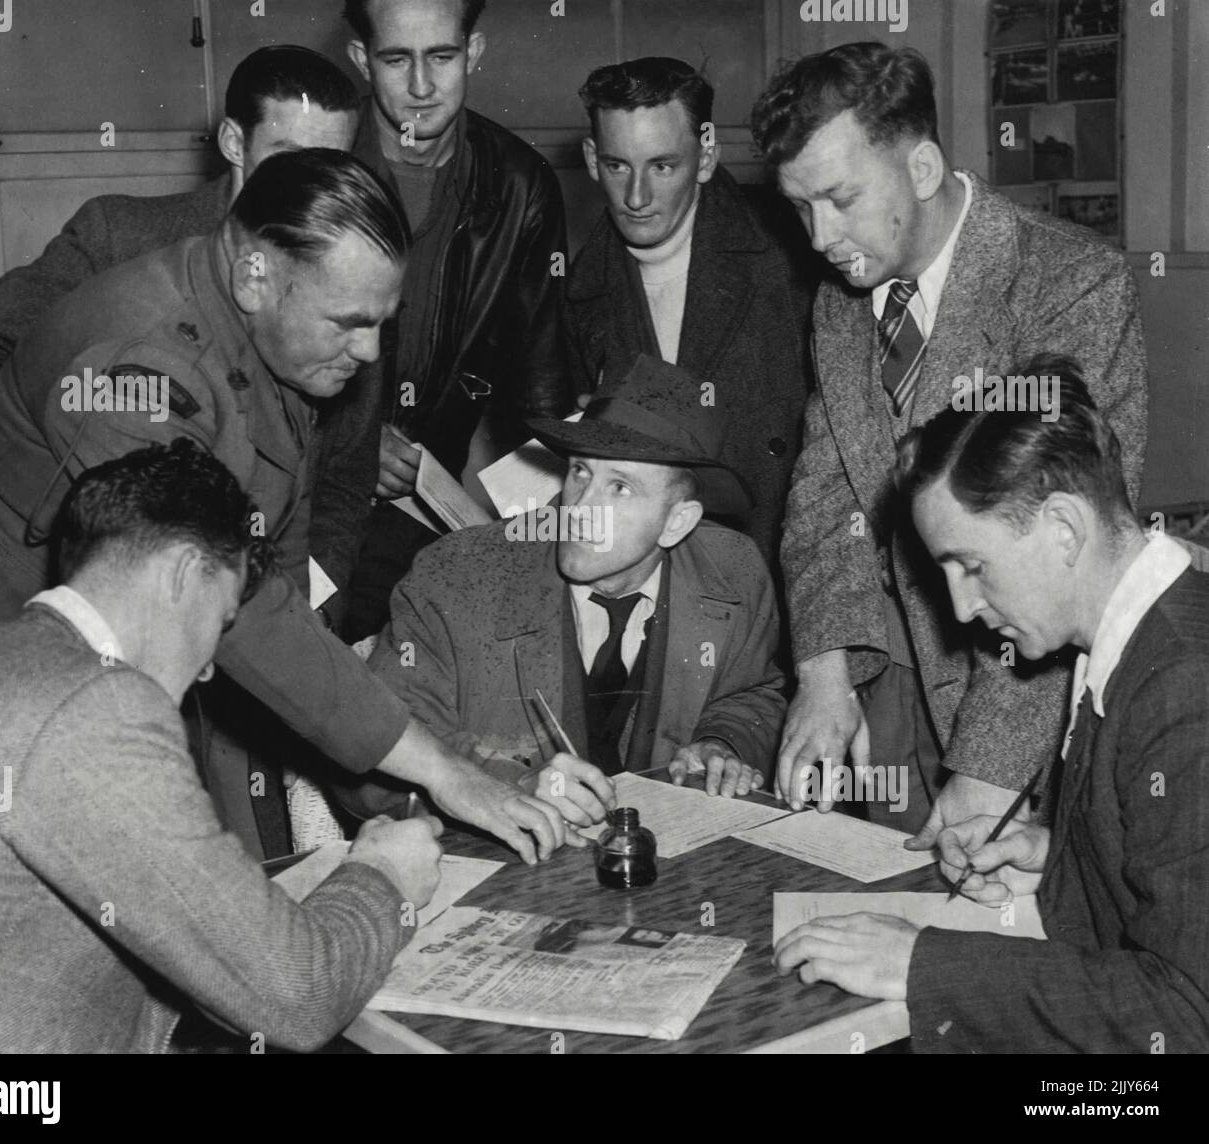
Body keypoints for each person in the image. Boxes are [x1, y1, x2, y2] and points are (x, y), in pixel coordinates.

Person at [0, 148, 567, 867]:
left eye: (382, 321)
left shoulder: (269, 325)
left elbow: (276, 561)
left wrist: (431, 771)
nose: (372, 351)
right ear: (255, 273)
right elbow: (236, 607)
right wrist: (442, 771)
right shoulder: (145, 371)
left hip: (136, 648)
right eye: (349, 322)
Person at [0, 441, 443, 1054]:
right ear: (185, 574)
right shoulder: (94, 703)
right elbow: (298, 999)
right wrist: (383, 877)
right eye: (220, 623)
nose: (211, 669)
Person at [750, 41, 1147, 835]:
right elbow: (828, 497)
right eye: (801, 208)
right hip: (892, 672)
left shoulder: (1071, 286)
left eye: (840, 198)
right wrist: (824, 672)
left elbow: (1062, 561)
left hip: (1025, 693)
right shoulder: (844, 296)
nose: (821, 237)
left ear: (923, 169)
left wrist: (987, 770)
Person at [774, 359, 1209, 1054]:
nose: (961, 608)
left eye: (972, 566)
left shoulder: (1185, 685)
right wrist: (1070, 866)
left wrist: (923, 965)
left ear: (1064, 529)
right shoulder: (1135, 638)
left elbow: (1186, 1019)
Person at [357, 355, 786, 826]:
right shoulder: (458, 576)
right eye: (581, 472)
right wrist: (509, 784)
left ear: (677, 522)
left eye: (619, 487)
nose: (580, 507)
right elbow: (371, 742)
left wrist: (722, 742)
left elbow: (750, 693)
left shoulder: (734, 571)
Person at [0, 45, 360, 425]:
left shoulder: (358, 267)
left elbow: (341, 473)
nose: (311, 187)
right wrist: (49, 470)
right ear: (232, 143)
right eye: (288, 160)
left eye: (331, 165)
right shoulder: (121, 235)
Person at [318, 0, 574, 640]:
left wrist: (535, 543)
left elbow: (544, 390)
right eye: (396, 59)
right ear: (360, 61)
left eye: (442, 57)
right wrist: (347, 444)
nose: (422, 87)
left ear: (475, 52)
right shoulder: (318, 162)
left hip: (423, 506)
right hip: (309, 489)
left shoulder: (521, 183)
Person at [565, 56, 813, 572]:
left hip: (784, 569)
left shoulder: (795, 254)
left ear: (705, 158)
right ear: (592, 159)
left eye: (662, 166)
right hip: (656, 585)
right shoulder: (576, 291)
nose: (636, 197)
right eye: (617, 165)